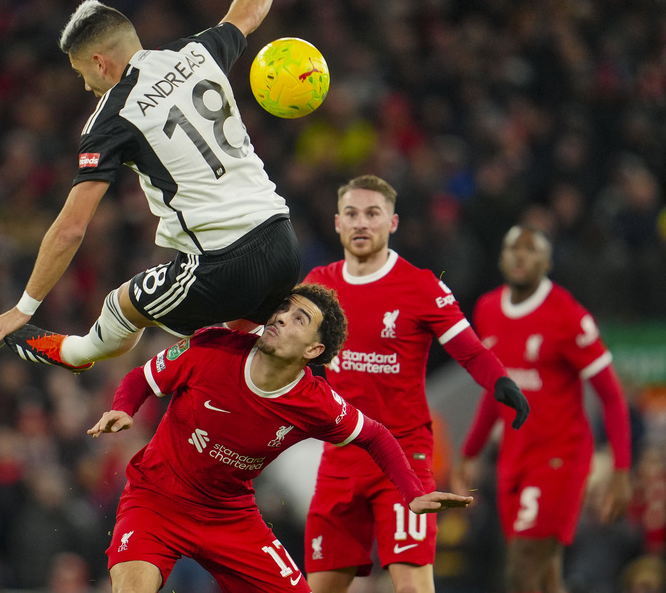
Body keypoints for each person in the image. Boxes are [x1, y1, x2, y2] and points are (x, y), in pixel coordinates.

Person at [0, 0, 303, 372]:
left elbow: (71, 228)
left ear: (100, 63)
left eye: (80, 74)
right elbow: (245, 16)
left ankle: (74, 354)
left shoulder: (111, 117)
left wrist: (25, 306)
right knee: (243, 345)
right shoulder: (196, 52)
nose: (86, 86)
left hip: (224, 264)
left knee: (120, 308)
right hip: (283, 240)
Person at [87, 283, 474, 593]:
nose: (282, 318)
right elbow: (141, 377)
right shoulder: (212, 347)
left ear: (314, 349)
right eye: (284, 309)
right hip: (156, 501)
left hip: (229, 517)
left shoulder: (316, 403)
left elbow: (375, 436)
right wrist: (124, 407)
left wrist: (411, 492)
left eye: (298, 318)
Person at [301, 174, 531, 593]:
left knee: (411, 586)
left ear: (393, 222)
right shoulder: (319, 284)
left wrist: (501, 382)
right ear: (337, 223)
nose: (361, 223)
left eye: (373, 214)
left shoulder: (421, 286)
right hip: (340, 458)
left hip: (404, 456)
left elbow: (471, 351)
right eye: (351, 214)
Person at [451, 225, 632, 593]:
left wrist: (621, 470)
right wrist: (470, 452)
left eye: (531, 250)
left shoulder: (567, 315)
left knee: (522, 562)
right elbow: (497, 391)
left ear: (547, 261)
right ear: (501, 258)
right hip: (514, 458)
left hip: (560, 456)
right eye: (513, 248)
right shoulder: (487, 309)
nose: (520, 255)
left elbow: (612, 396)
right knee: (545, 574)